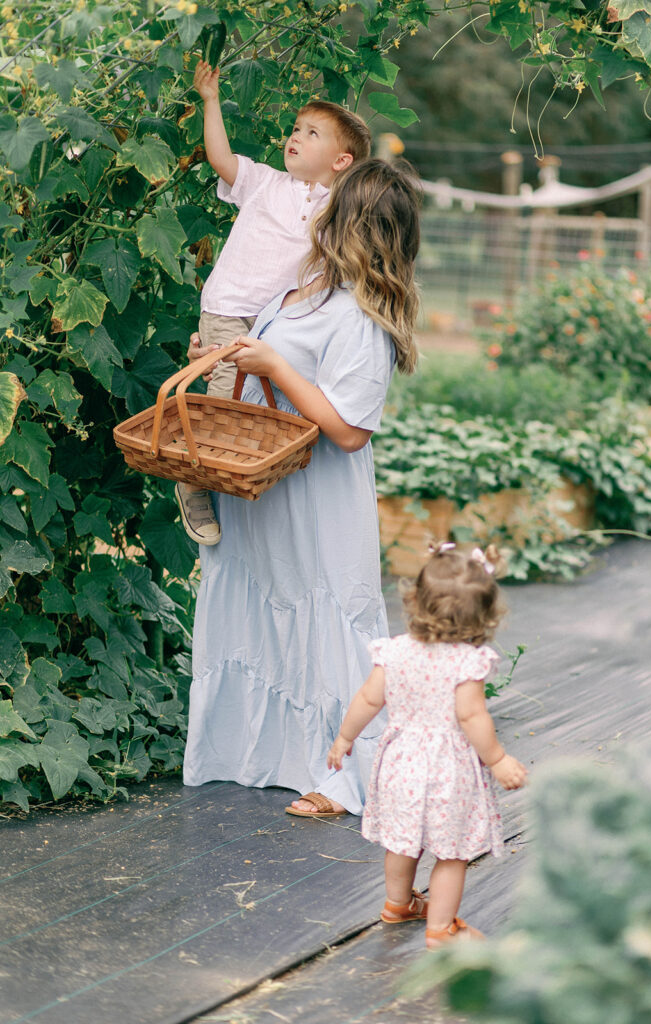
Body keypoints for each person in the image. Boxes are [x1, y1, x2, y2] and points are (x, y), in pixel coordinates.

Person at [182, 158, 421, 818]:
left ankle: (343, 775)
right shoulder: (301, 292)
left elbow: (347, 429)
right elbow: (265, 370)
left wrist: (276, 366)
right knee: (262, 606)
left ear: (351, 226)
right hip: (263, 489)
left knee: (326, 622)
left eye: (329, 207)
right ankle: (256, 753)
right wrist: (225, 352)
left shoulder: (361, 318)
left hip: (316, 499)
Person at [175, 59, 371, 547]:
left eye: (311, 133)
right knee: (223, 398)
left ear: (341, 161)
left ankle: (238, 475)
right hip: (229, 306)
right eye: (295, 129)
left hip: (277, 323)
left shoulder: (338, 211)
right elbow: (220, 158)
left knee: (260, 403)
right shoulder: (264, 182)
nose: (295, 137)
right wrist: (211, 100)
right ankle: (193, 482)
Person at [327, 542, 528, 948]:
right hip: (446, 770)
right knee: (451, 853)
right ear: (485, 616)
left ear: (415, 599)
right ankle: (441, 929)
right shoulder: (466, 662)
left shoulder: (395, 651)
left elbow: (369, 699)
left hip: (399, 764)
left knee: (403, 841)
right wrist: (498, 759)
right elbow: (471, 717)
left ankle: (398, 904)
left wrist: (345, 737)